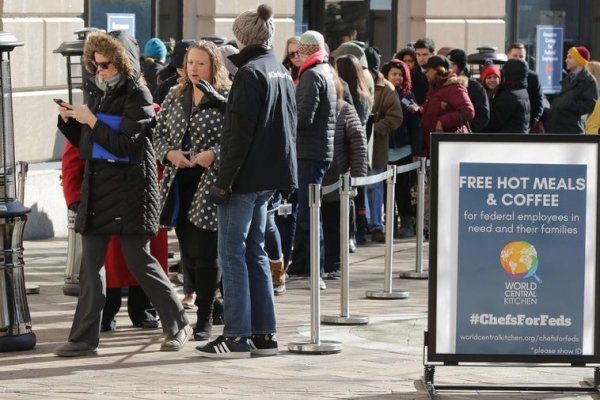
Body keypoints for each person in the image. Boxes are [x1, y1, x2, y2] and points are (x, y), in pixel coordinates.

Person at [54, 30, 191, 357]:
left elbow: (124, 146)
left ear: (122, 63)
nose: (99, 70)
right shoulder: (98, 93)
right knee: (90, 268)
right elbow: (89, 146)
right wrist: (70, 122)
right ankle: (84, 338)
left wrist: (91, 121)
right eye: (96, 65)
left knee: (141, 261)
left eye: (106, 65)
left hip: (132, 193)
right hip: (99, 192)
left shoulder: (139, 95)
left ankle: (178, 323)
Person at [197, 3, 297, 358]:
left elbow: (238, 136)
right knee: (253, 251)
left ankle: (237, 335)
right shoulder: (279, 70)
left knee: (232, 253)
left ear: (241, 37)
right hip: (269, 176)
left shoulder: (251, 72)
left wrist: (222, 183)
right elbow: (278, 125)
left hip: (245, 177)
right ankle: (264, 334)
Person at [153, 40, 230, 341]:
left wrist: (215, 154)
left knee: (207, 252)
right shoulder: (175, 94)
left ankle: (205, 317)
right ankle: (210, 301)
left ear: (213, 66)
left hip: (210, 181)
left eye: (201, 63)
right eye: (190, 63)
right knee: (189, 251)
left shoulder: (225, 96)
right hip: (179, 181)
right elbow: (157, 133)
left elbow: (239, 139)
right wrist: (168, 153)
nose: (195, 68)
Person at [286, 30, 336, 289]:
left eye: (297, 52)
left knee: (308, 214)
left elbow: (302, 117)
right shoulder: (323, 69)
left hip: (309, 152)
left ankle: (317, 270)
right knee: (308, 212)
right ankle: (308, 266)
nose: (294, 56)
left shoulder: (311, 74)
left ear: (306, 50)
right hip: (316, 150)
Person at [322, 69, 368, 280]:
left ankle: (334, 264)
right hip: (315, 178)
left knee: (336, 226)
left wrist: (357, 178)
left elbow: (358, 144)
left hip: (337, 179)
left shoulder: (345, 109)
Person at [364, 46, 403, 243]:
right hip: (356, 146)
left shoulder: (386, 88)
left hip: (376, 147)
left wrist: (373, 129)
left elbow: (396, 117)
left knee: (374, 186)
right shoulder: (356, 83)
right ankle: (362, 223)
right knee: (357, 187)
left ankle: (376, 225)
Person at [334, 54, 373, 247]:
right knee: (354, 198)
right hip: (359, 149)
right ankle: (355, 234)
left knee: (349, 198)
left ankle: (352, 235)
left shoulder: (348, 99)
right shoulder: (363, 94)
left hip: (349, 149)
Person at [380, 59, 422, 238]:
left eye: (400, 75)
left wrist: (416, 152)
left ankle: (407, 222)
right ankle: (387, 223)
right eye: (394, 74)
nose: (397, 77)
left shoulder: (408, 96)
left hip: (404, 151)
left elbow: (415, 126)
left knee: (403, 190)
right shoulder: (379, 93)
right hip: (383, 151)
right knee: (384, 191)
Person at [420, 55, 474, 158]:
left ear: (438, 70)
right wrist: (419, 110)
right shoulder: (435, 88)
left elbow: (468, 111)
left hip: (449, 149)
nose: (425, 73)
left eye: (428, 70)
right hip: (435, 148)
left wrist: (443, 121)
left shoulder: (453, 87)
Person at [546, 46, 598, 134]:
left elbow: (590, 105)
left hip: (572, 130)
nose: (566, 60)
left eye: (570, 57)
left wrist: (569, 104)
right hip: (556, 129)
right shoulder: (568, 78)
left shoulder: (589, 80)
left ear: (579, 60)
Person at [484, 58, 531, 133]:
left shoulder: (510, 95)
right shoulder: (522, 90)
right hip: (516, 139)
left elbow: (493, 122)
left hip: (507, 140)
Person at [506, 42, 545, 132]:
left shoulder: (533, 77)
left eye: (521, 57)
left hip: (525, 129)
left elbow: (538, 104)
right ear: (508, 56)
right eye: (515, 56)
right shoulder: (500, 75)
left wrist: (528, 124)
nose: (518, 59)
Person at [448, 49, 489, 132]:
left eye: (452, 64)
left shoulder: (475, 87)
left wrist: (466, 130)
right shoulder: (443, 83)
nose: (449, 68)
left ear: (460, 66)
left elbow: (482, 116)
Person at [411, 38, 436, 105]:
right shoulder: (410, 74)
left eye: (425, 55)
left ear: (432, 54)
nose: (421, 58)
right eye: (418, 54)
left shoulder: (440, 75)